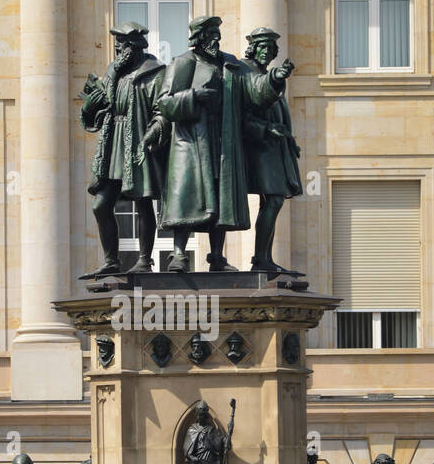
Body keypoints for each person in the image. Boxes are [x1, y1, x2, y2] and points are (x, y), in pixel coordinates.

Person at [148, 15, 291, 273]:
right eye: (210, 34)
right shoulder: (183, 63)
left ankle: (216, 257)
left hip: (223, 141)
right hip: (190, 144)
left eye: (218, 33)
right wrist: (193, 97)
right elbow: (165, 105)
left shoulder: (231, 65)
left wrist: (274, 79)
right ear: (198, 38)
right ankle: (178, 256)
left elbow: (254, 93)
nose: (216, 38)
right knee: (186, 198)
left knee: (220, 198)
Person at [80, 22, 165, 278]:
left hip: (137, 140)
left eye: (123, 45)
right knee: (101, 206)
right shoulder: (114, 72)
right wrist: (88, 107)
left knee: (143, 201)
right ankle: (111, 261)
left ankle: (144, 260)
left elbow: (162, 111)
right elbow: (100, 110)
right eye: (117, 46)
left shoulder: (155, 73)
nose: (118, 50)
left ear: (135, 46)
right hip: (113, 143)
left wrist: (152, 135)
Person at [240, 27, 300, 277]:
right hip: (259, 148)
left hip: (275, 146)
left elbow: (280, 113)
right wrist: (265, 130)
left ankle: (264, 257)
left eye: (271, 48)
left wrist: (289, 141)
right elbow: (242, 116)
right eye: (262, 47)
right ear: (254, 48)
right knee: (273, 199)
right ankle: (261, 258)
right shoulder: (245, 73)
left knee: (273, 201)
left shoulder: (266, 75)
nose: (267, 52)